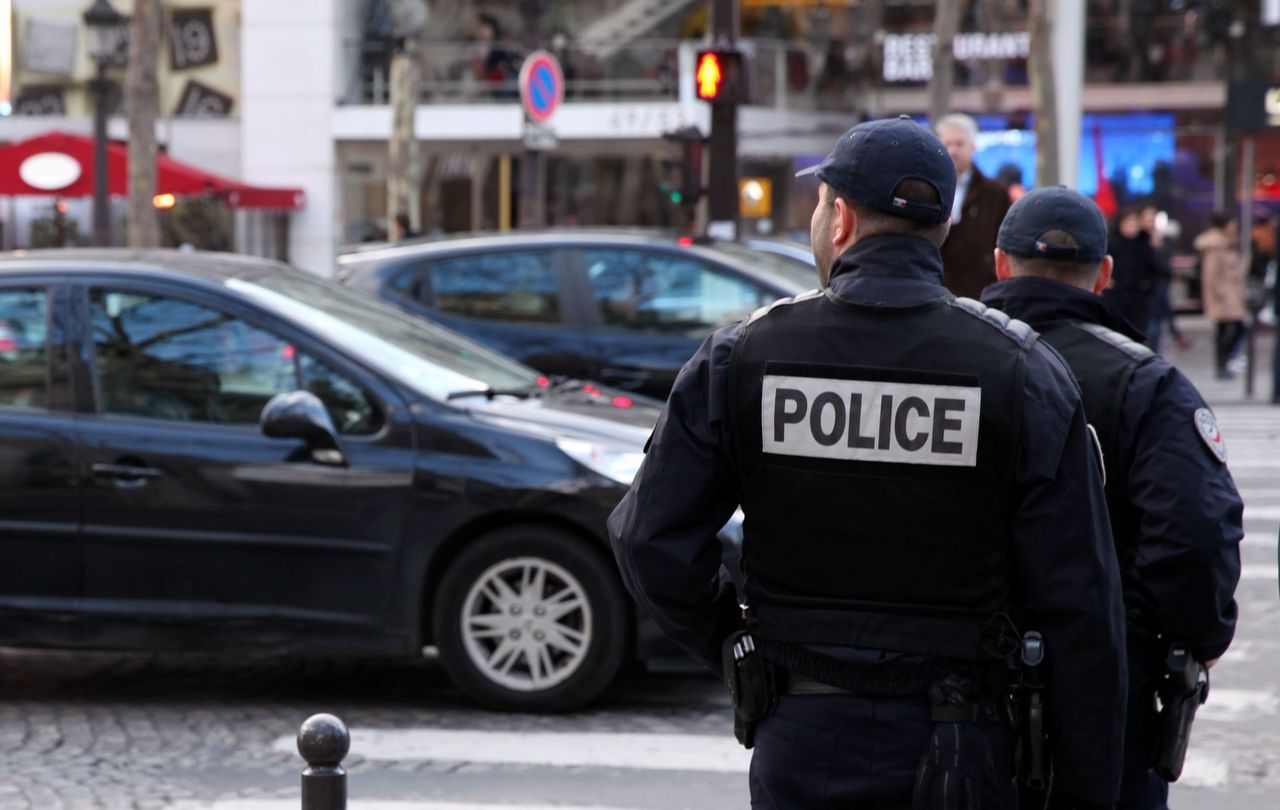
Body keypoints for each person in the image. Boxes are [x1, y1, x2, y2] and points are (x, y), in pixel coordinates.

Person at [609, 117, 1126, 810]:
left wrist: (734, 644)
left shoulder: (745, 357)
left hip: (802, 736)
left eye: (819, 204)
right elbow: (1082, 605)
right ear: (940, 229)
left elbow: (650, 538)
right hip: (966, 744)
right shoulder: (1021, 369)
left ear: (842, 218)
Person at [982, 186, 1243, 810]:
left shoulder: (954, 362)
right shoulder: (1145, 384)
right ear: (1103, 274)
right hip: (1102, 695)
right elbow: (1195, 536)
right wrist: (1172, 639)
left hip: (959, 696)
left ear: (998, 263)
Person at [936, 113, 1012, 299]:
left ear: (973, 147)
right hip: (937, 290)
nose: (953, 150)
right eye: (948, 144)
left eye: (959, 144)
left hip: (981, 292)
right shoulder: (929, 190)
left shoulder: (996, 194)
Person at [1194, 214, 1246, 379]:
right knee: (1228, 329)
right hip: (1224, 295)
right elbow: (1210, 274)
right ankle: (1223, 363)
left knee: (1233, 328)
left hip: (1231, 293)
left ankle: (1225, 362)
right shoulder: (1216, 245)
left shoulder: (1228, 243)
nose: (1234, 227)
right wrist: (1220, 293)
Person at [1103, 207, 1159, 339]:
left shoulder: (1144, 243)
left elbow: (1153, 269)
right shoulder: (1112, 243)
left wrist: (1147, 285)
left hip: (1138, 296)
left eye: (1134, 224)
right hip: (1117, 296)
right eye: (1128, 224)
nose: (1131, 227)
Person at [1139, 205, 1188, 353]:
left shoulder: (1163, 242)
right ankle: (1177, 335)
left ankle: (1154, 352)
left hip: (1158, 287)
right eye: (1146, 219)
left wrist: (1157, 247)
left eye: (1152, 219)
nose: (1149, 223)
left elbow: (1165, 266)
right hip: (1139, 289)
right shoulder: (1137, 241)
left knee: (1156, 323)